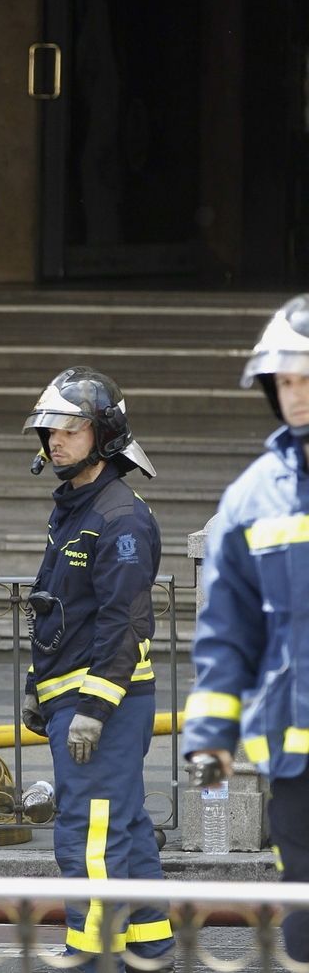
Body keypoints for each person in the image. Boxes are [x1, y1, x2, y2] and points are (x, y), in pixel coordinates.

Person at [20, 367, 173, 970]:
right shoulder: (78, 508)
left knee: (90, 832)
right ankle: (149, 947)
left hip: (100, 705)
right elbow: (63, 606)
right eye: (49, 431)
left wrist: (91, 709)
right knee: (127, 829)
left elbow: (123, 621)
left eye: (70, 429)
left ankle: (91, 956)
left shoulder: (122, 519)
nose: (55, 440)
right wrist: (41, 688)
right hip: (77, 698)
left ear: (103, 435)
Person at [181, 294, 309, 961]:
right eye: (284, 381)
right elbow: (226, 631)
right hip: (297, 764)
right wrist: (210, 737)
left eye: (306, 378)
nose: (295, 395)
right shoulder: (254, 496)